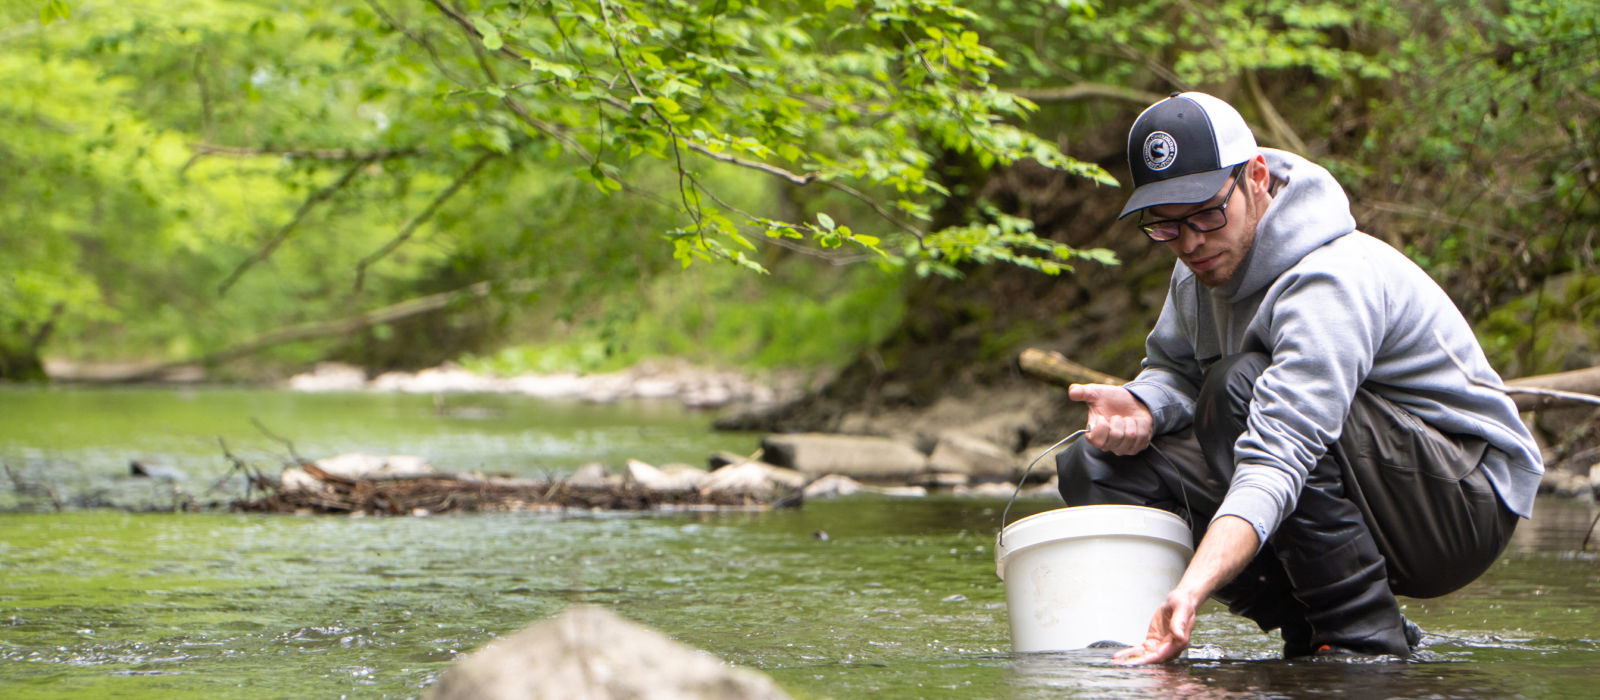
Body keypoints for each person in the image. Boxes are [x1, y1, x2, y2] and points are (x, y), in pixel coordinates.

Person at [1055, 92, 1543, 663]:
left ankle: (1363, 642)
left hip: (1462, 503)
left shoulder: (1329, 280)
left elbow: (1279, 455)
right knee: (1096, 467)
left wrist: (1191, 588)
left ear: (1256, 177)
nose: (1189, 244)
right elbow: (1173, 374)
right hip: (1359, 479)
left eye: (1207, 214)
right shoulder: (1198, 271)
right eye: (1164, 227)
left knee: (1239, 389)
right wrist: (1144, 405)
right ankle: (1309, 629)